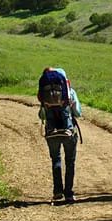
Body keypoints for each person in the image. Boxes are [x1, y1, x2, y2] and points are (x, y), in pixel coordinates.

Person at [38, 67, 82, 203]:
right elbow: (78, 113)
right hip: (69, 132)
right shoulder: (70, 93)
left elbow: (41, 115)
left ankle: (57, 191)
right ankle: (68, 193)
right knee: (70, 162)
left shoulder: (45, 95)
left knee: (56, 160)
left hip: (52, 133)